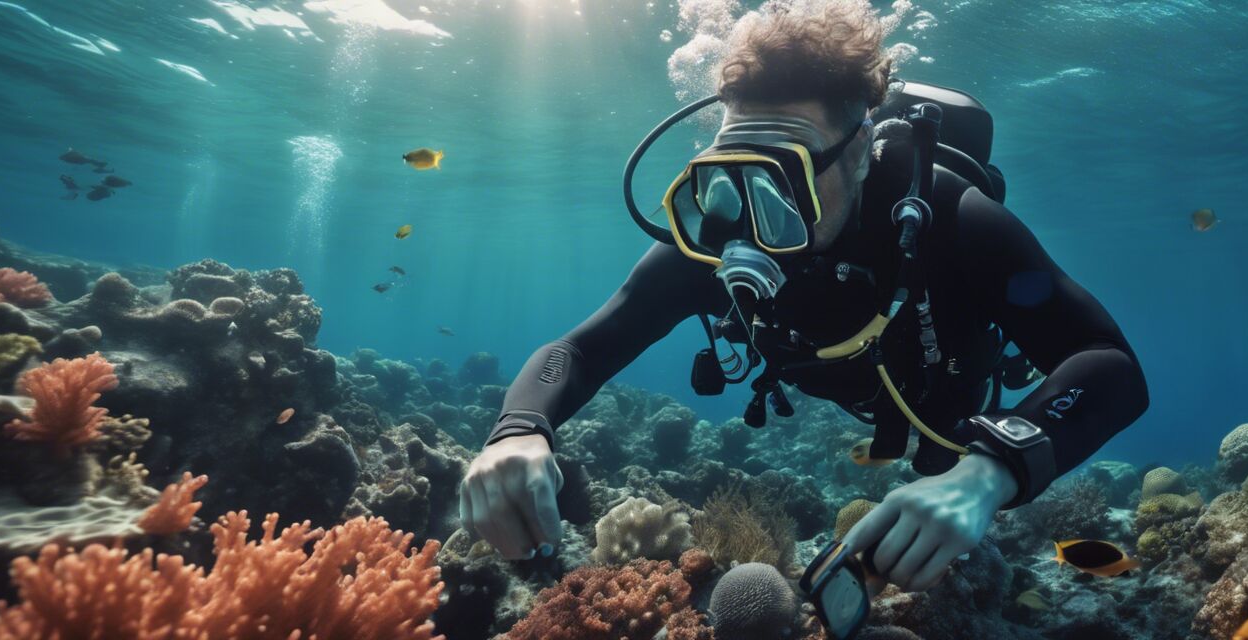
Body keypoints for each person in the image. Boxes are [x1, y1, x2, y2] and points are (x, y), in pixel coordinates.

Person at [459, 0, 1148, 594]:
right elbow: (581, 348)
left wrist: (990, 472)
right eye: (732, 170)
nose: (748, 220)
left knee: (945, 457)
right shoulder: (716, 236)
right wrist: (518, 431)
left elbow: (1109, 363)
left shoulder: (948, 216)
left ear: (860, 152)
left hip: (946, 389)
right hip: (850, 380)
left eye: (783, 174)